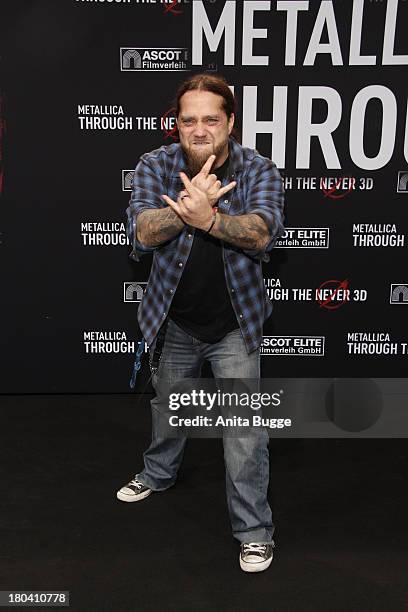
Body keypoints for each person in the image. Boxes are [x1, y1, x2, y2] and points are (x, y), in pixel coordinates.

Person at [118, 73, 285, 573]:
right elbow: (142, 230)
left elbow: (262, 234)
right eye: (188, 120)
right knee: (169, 408)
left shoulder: (259, 170)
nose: (198, 129)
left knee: (243, 433)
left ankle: (254, 532)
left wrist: (211, 220)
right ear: (178, 124)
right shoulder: (156, 164)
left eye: (210, 119)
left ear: (230, 122)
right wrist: (187, 213)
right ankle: (158, 473)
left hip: (235, 325)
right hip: (175, 323)